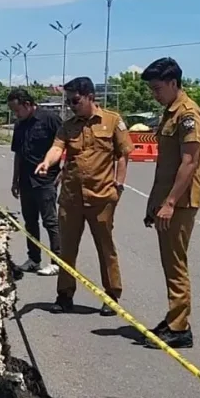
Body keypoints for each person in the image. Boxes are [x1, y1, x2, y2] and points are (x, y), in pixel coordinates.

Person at [34, 76, 133, 315]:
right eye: (69, 101)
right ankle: (64, 295)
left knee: (105, 247)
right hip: (71, 198)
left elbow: (123, 154)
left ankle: (111, 296)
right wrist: (47, 162)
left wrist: (118, 185)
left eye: (75, 100)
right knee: (67, 248)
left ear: (90, 97)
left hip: (101, 197)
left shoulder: (112, 121)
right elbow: (58, 147)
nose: (71, 105)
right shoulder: (68, 125)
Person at [142, 57, 200, 349]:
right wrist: (153, 205)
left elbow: (189, 162)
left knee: (176, 263)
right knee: (170, 262)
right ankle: (174, 319)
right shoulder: (170, 112)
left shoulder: (188, 114)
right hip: (167, 200)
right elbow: (164, 167)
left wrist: (168, 203)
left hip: (179, 202)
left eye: (157, 88)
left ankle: (179, 327)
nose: (154, 94)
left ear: (173, 83)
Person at [8, 88, 62, 276]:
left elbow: (65, 145)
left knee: (50, 222)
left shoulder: (49, 119)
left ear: (28, 104)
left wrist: (62, 172)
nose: (16, 114)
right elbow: (18, 154)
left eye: (17, 110)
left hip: (45, 180)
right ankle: (34, 259)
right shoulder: (19, 125)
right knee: (30, 222)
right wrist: (15, 180)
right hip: (25, 180)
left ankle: (56, 261)